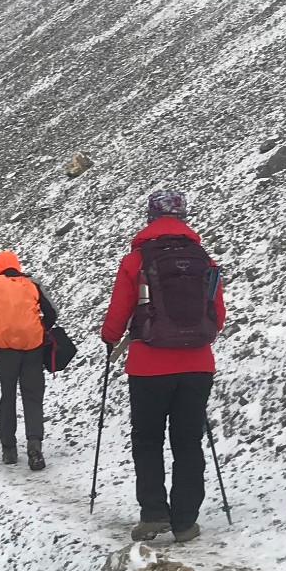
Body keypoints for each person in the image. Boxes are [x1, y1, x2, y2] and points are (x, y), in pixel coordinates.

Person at [99, 188, 226, 544]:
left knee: (147, 438)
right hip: (198, 365)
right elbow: (218, 316)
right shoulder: (205, 261)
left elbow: (118, 315)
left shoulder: (136, 260)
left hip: (148, 366)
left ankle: (154, 513)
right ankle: (185, 521)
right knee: (188, 440)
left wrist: (108, 336)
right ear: (184, 218)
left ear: (150, 218)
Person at [0, 250, 60, 471]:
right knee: (32, 396)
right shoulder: (32, 283)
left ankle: (9, 449)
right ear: (17, 265)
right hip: (32, 348)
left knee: (7, 395)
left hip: (4, 351)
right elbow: (53, 313)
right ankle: (34, 445)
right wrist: (40, 330)